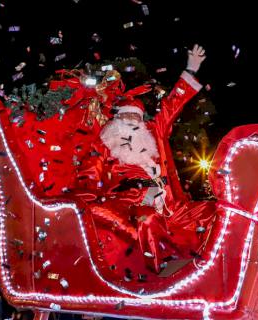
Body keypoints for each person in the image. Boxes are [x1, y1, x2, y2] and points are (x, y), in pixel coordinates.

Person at [78, 45, 219, 273]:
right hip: (131, 206)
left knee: (211, 211)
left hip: (169, 204)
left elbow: (171, 106)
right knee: (148, 220)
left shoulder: (153, 133)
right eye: (126, 115)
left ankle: (209, 266)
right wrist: (103, 208)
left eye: (137, 115)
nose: (132, 119)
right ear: (116, 119)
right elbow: (88, 184)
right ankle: (157, 278)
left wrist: (191, 70)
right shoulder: (104, 143)